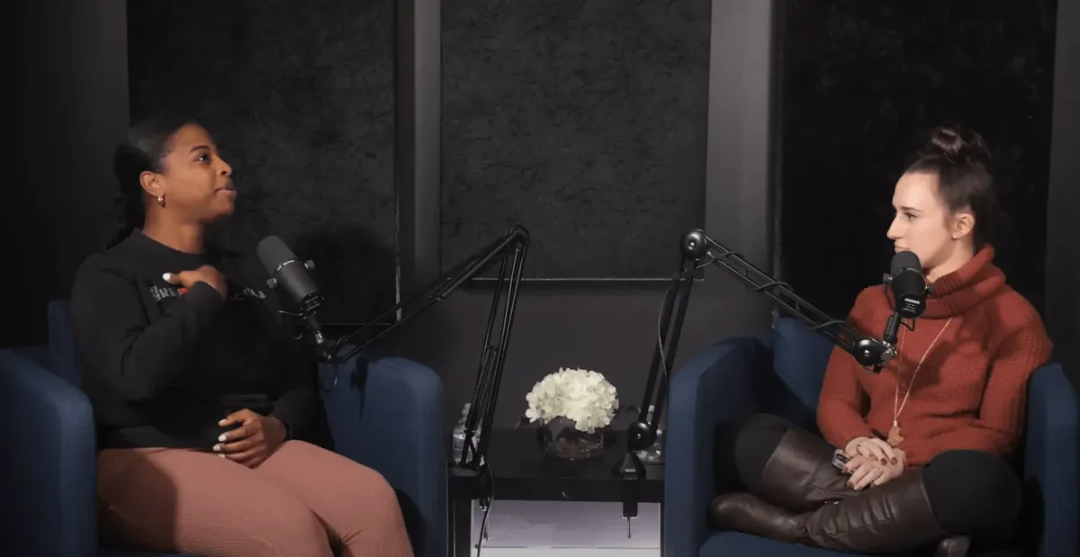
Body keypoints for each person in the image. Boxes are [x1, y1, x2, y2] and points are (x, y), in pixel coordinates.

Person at [70, 116, 415, 557]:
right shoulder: (108, 274)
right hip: (145, 458)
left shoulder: (243, 275)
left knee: (372, 501)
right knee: (288, 529)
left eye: (220, 157)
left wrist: (278, 425)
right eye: (203, 159)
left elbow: (294, 375)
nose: (226, 167)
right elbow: (133, 378)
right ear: (155, 183)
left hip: (247, 452)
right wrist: (202, 299)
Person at [710, 126, 1052, 555]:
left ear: (961, 225)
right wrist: (859, 444)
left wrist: (902, 461)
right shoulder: (873, 304)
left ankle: (795, 530)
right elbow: (835, 400)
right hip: (860, 470)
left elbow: (997, 435)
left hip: (937, 477)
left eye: (909, 216)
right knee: (742, 436)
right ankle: (914, 535)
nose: (892, 230)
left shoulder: (1013, 318)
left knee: (980, 483)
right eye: (895, 213)